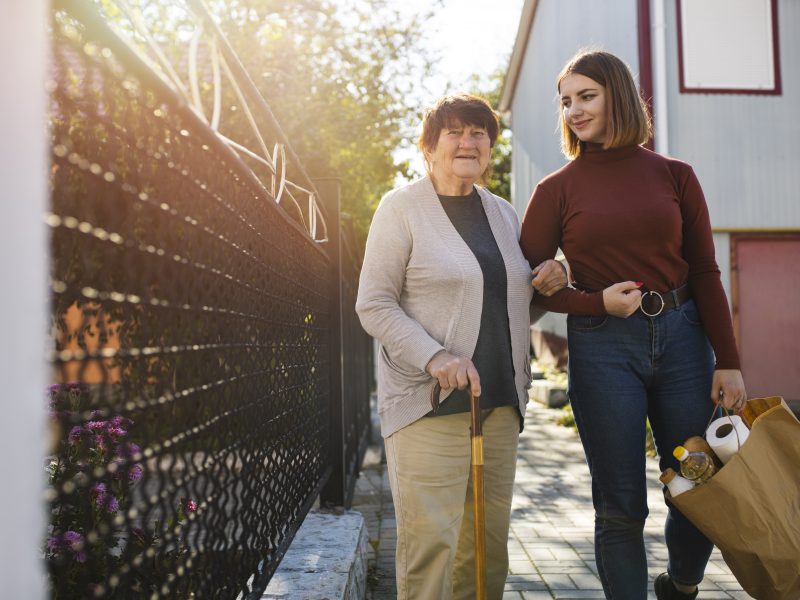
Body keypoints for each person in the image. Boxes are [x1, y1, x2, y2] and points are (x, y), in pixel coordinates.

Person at [519, 50, 746, 600]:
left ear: (617, 95)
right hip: (603, 352)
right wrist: (591, 300)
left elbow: (706, 271)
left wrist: (730, 360)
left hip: (685, 345)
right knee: (620, 504)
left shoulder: (676, 176)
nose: (573, 110)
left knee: (697, 486)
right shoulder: (556, 189)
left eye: (586, 96)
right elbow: (524, 289)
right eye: (566, 101)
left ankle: (683, 585)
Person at [356, 93, 567, 600]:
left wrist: (557, 275)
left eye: (479, 133)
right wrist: (436, 356)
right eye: (454, 132)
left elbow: (511, 304)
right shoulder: (401, 208)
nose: (468, 142)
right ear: (429, 146)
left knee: (487, 552)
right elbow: (374, 304)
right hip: (429, 408)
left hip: (497, 408)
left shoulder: (503, 214)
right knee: (432, 551)